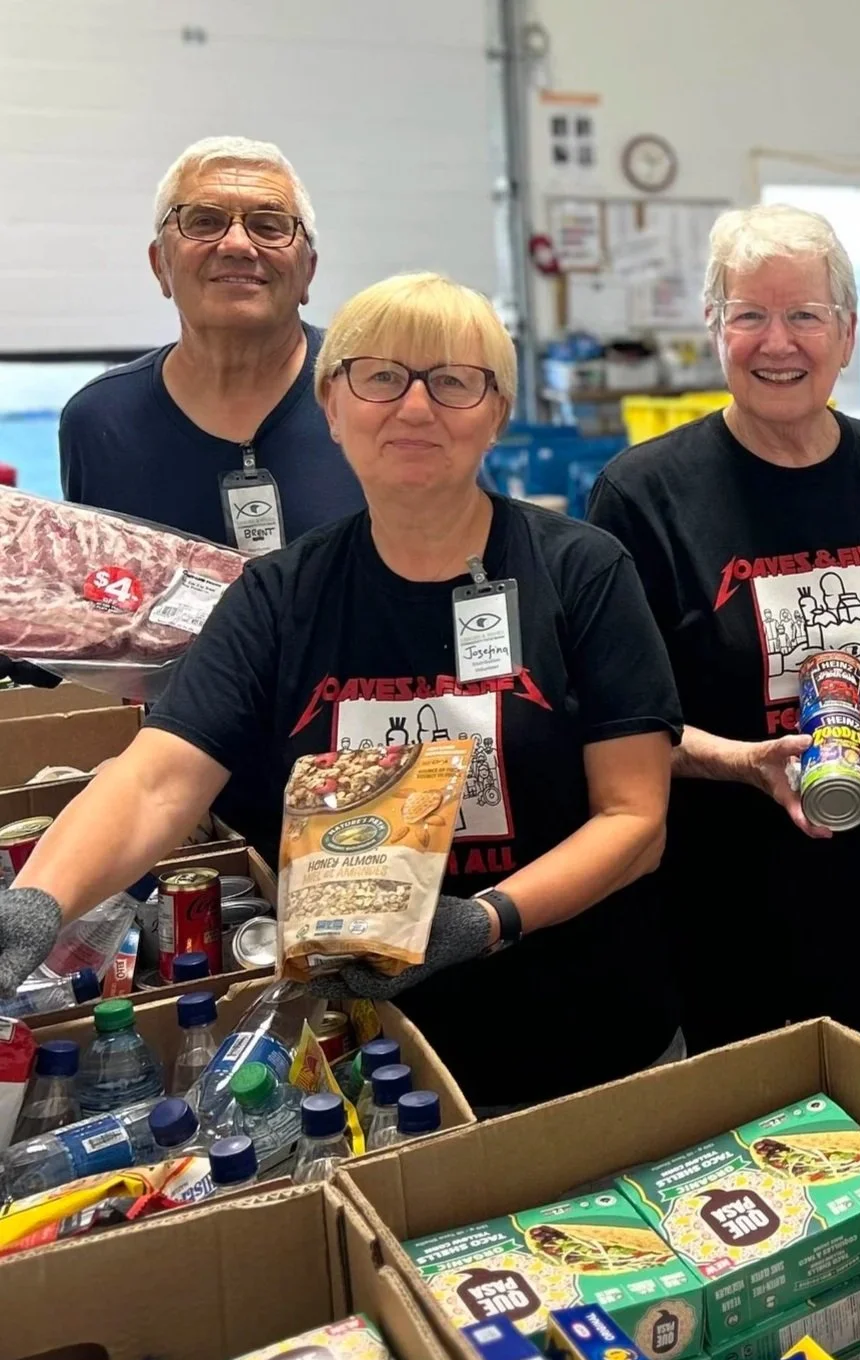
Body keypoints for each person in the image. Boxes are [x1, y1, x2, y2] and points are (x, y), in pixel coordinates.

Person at [0, 273, 679, 1110]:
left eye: (454, 380)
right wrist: (38, 900)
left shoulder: (582, 571)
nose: (415, 408)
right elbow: (158, 780)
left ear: (497, 412)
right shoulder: (279, 595)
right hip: (363, 1055)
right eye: (380, 376)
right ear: (331, 404)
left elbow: (634, 819)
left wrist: (486, 918)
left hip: (583, 1043)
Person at [588, 204, 860, 1065]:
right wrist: (744, 762)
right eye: (749, 315)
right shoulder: (643, 493)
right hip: (715, 928)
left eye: (805, 316)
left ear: (847, 335)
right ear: (715, 331)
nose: (777, 342)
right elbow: (616, 729)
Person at [59, 136, 365, 550]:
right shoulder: (99, 422)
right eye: (203, 221)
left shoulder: (378, 394)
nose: (237, 245)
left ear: (307, 271)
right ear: (160, 265)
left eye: (269, 225)